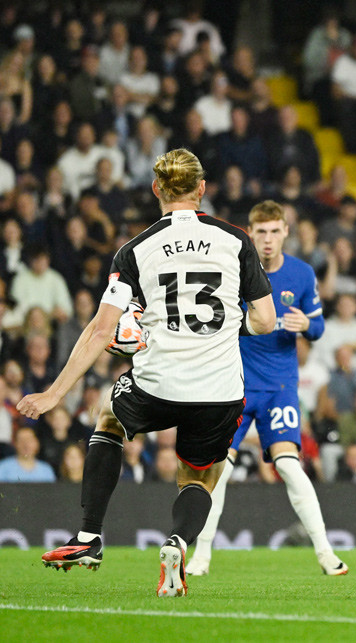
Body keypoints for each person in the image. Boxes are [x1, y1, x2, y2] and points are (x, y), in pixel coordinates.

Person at [20, 149, 277, 597]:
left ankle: (87, 538)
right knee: (197, 477)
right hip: (219, 388)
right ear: (202, 189)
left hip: (158, 381)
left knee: (109, 417)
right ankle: (178, 543)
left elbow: (102, 330)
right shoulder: (236, 241)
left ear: (157, 189)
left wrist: (54, 394)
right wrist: (233, 324)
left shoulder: (135, 249)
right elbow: (265, 321)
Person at [187, 200, 347, 578]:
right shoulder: (232, 270)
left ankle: (325, 552)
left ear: (286, 232)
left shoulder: (303, 274)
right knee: (219, 470)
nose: (269, 239)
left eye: (276, 231)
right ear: (250, 233)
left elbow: (319, 328)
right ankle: (202, 555)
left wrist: (303, 325)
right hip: (236, 384)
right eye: (261, 232)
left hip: (280, 386)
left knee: (290, 465)